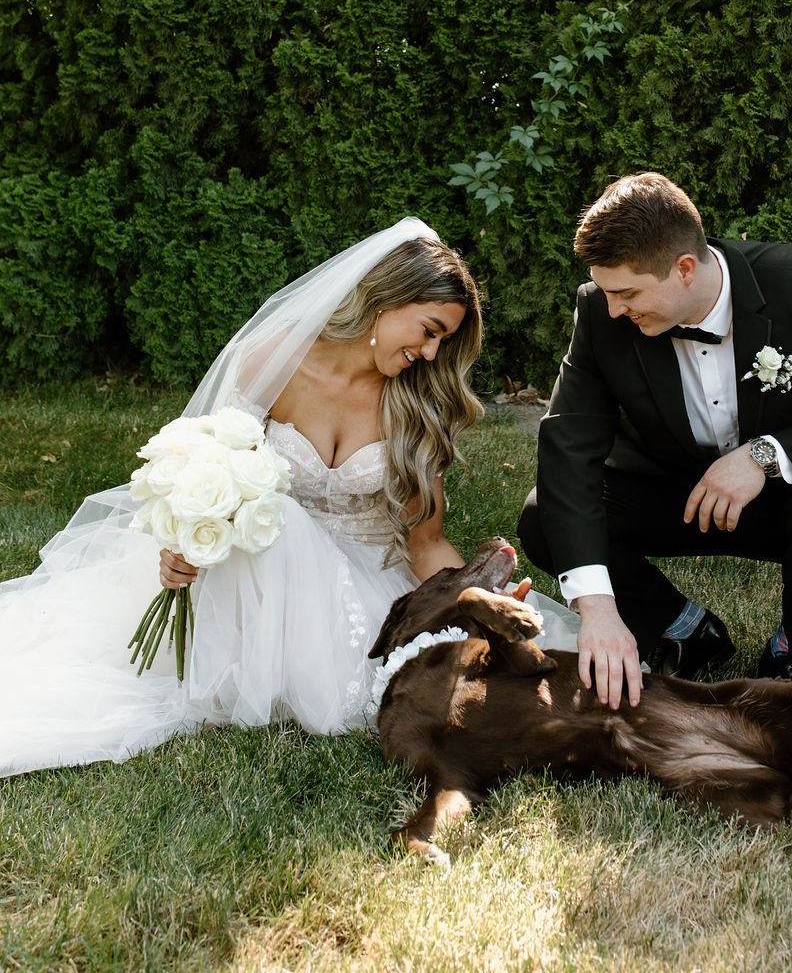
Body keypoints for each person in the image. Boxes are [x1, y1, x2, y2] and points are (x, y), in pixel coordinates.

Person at [0, 218, 576, 777]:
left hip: (359, 584)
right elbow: (208, 465)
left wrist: (474, 597)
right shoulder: (275, 360)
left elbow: (425, 544)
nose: (430, 353)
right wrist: (185, 540)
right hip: (251, 580)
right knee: (277, 522)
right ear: (387, 298)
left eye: (442, 341)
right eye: (427, 330)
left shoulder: (416, 404)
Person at [517, 173, 792, 709]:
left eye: (627, 293)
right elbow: (568, 448)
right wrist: (599, 609)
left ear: (684, 269)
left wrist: (764, 455)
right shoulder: (599, 311)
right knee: (545, 515)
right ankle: (683, 629)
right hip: (664, 492)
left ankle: (790, 654)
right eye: (607, 293)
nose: (614, 309)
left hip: (781, 500)